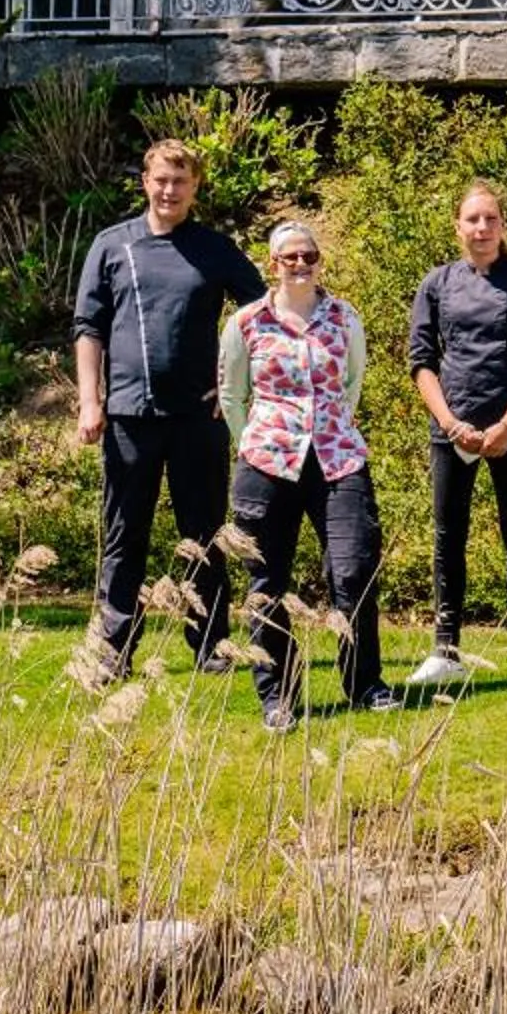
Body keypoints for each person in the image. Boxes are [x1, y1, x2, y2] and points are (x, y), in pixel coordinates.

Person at [71, 139, 267, 680]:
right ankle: (114, 650)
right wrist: (91, 401)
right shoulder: (113, 246)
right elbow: (88, 329)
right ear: (145, 181)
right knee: (123, 534)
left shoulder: (215, 248)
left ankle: (211, 647)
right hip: (129, 417)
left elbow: (261, 318)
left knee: (203, 536)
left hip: (198, 422)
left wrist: (232, 386)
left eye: (180, 182)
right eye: (160, 180)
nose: (169, 190)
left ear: (195, 187)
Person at [220, 219, 388, 729]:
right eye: (289, 257)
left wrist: (330, 426)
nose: (299, 265)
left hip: (338, 459)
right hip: (267, 462)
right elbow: (231, 394)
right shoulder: (247, 322)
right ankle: (278, 696)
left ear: (319, 261)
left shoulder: (344, 317)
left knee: (354, 569)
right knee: (266, 582)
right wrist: (253, 440)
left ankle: (365, 684)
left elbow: (353, 380)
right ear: (272, 264)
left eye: (308, 256)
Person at [405, 182, 507, 691]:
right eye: (472, 220)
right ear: (457, 227)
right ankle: (446, 649)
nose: (482, 228)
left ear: (503, 225)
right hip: (454, 430)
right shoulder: (437, 283)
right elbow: (422, 363)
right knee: (449, 535)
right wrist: (451, 425)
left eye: (490, 219)